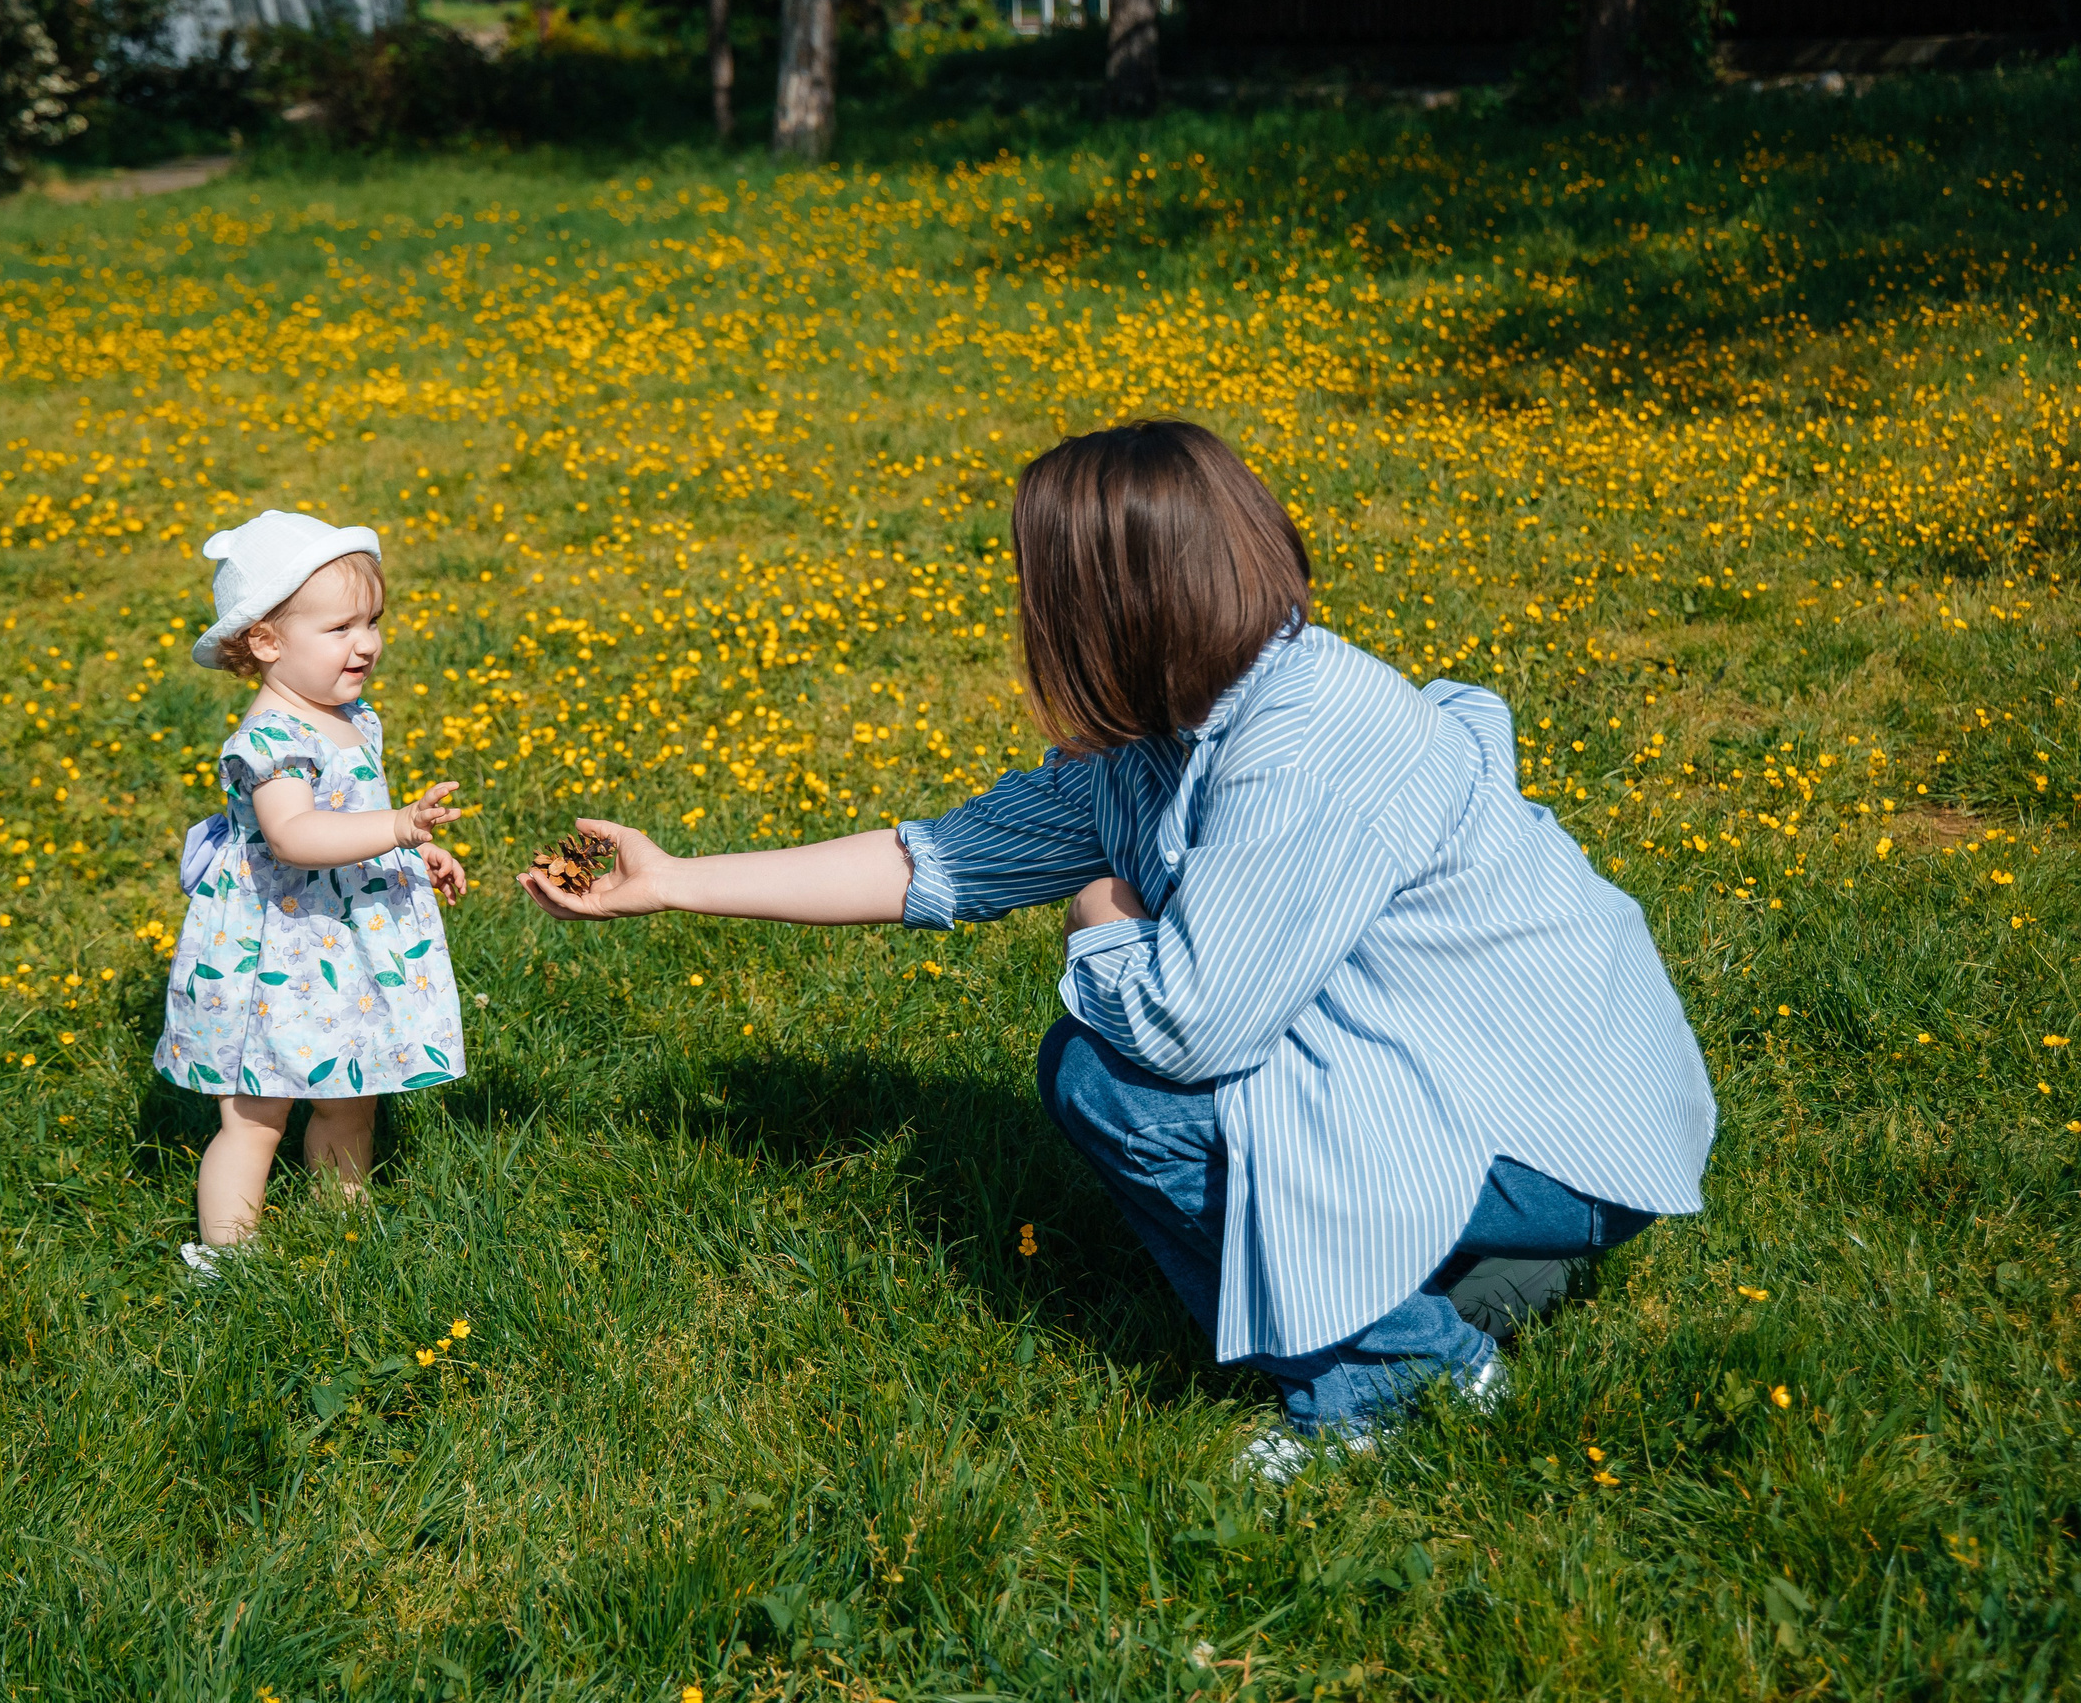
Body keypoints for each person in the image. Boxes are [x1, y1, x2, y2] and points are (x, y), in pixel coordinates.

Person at [518, 420, 1714, 1476]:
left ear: (1115, 608)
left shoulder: (1308, 746)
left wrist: (1100, 907)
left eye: (1040, 591)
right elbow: (940, 860)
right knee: (1115, 1065)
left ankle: (1401, 1373)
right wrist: (672, 883)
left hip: (1550, 1140)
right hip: (1461, 1086)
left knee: (1111, 1079)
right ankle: (1438, 1283)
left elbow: (1192, 1031)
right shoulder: (1166, 732)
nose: (1026, 616)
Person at [158, 510, 470, 1278]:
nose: (365, 642)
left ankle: (344, 1223)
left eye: (373, 621)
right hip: (274, 955)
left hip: (337, 949)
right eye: (339, 627)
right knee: (255, 1113)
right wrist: (397, 825)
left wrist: (420, 847)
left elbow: (351, 821)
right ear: (266, 641)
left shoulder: (348, 719)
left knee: (348, 1092)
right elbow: (296, 836)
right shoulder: (273, 740)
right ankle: (227, 1257)